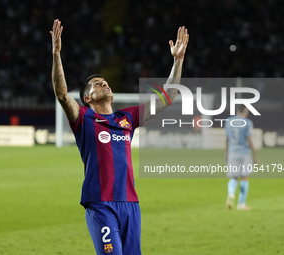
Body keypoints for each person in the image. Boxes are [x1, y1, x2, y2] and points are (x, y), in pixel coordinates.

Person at [50, 19, 188, 255]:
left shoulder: (128, 118)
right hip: (100, 203)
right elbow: (62, 94)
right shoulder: (84, 119)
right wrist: (56, 54)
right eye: (96, 84)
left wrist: (178, 60)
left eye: (104, 81)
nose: (103, 83)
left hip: (130, 204)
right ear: (88, 98)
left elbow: (168, 98)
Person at [225, 105, 258, 211]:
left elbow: (227, 139)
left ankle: (231, 194)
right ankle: (241, 204)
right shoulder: (247, 123)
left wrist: (226, 152)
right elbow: (249, 139)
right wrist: (255, 155)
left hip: (232, 152)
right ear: (245, 111)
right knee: (244, 177)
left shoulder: (229, 121)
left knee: (234, 177)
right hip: (244, 153)